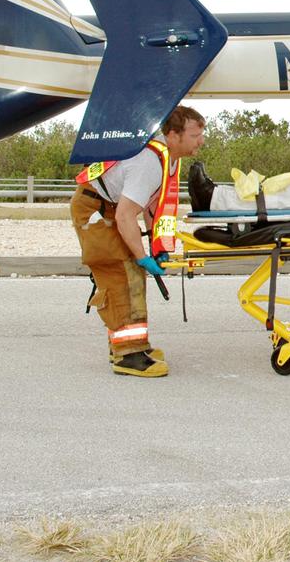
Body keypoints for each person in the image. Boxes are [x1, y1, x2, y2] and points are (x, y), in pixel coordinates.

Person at [70, 105, 206, 378]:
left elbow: (150, 207)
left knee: (130, 272)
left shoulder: (168, 158)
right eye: (195, 135)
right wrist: (141, 256)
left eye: (202, 134)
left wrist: (157, 248)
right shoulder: (149, 163)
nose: (201, 141)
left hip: (111, 207)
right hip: (96, 210)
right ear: (173, 134)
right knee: (123, 273)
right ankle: (129, 355)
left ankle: (127, 345)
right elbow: (125, 215)